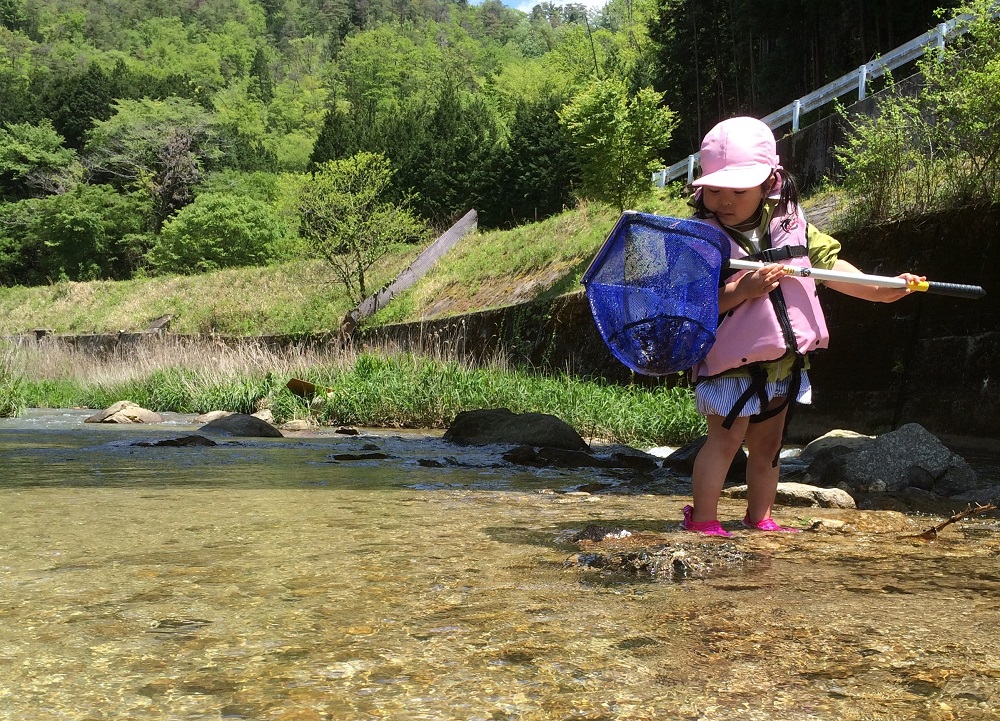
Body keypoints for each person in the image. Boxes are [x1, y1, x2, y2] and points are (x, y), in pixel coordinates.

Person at [680, 116, 924, 537]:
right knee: (724, 442)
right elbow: (694, 305)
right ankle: (702, 520)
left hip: (784, 362)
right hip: (729, 365)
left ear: (769, 183)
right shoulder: (702, 239)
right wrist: (743, 290)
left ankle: (760, 518)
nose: (724, 200)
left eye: (738, 190)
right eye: (714, 190)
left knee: (769, 445)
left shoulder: (792, 223)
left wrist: (881, 289)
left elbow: (830, 268)